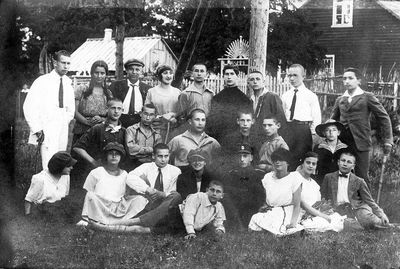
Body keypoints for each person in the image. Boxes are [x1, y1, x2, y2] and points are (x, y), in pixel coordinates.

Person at [331, 67, 393, 183]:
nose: (347, 81)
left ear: (358, 81)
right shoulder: (340, 99)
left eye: (350, 78)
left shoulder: (366, 97)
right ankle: (343, 200)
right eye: (344, 79)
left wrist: (388, 140)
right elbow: (332, 120)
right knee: (342, 174)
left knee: (361, 175)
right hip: (342, 142)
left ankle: (365, 201)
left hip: (361, 141)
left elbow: (383, 117)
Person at [107, 143, 182, 233]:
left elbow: (174, 192)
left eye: (166, 156)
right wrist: (147, 189)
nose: (163, 160)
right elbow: (130, 177)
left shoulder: (175, 171)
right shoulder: (146, 167)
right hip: (148, 204)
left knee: (176, 196)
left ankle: (133, 222)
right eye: (160, 156)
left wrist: (162, 194)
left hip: (164, 204)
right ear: (153, 156)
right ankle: (141, 223)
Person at [23, 50, 75, 169]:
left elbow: (70, 109)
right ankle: (47, 186)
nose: (66, 66)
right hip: (47, 125)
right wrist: (37, 128)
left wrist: (63, 119)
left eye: (68, 63)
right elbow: (29, 106)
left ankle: (58, 187)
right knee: (48, 161)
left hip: (62, 125)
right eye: (63, 63)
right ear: (55, 62)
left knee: (61, 159)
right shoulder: (42, 81)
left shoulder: (68, 83)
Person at [79, 142, 147, 229]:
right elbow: (88, 191)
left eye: (117, 154)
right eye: (111, 154)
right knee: (90, 195)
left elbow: (127, 193)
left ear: (121, 157)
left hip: (118, 208)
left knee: (140, 199)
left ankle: (117, 222)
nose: (114, 156)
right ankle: (97, 220)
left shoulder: (125, 174)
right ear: (106, 156)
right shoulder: (97, 172)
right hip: (100, 206)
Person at [321, 149, 392, 230]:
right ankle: (355, 225)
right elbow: (323, 196)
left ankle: (389, 226)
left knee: (371, 221)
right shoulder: (328, 177)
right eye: (343, 160)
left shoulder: (359, 181)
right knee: (337, 222)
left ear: (353, 166)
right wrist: (325, 209)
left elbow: (369, 200)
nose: (345, 164)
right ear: (338, 162)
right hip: (336, 209)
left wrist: (381, 214)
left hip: (356, 208)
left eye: (349, 162)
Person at [248, 148, 303, 236]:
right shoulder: (268, 177)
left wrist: (293, 222)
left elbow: (297, 205)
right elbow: (265, 197)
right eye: (275, 160)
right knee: (255, 218)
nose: (277, 162)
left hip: (288, 211)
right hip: (272, 210)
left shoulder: (294, 177)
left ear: (287, 162)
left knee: (284, 228)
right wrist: (263, 206)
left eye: (281, 160)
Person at [281, 64, 321, 170]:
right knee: (287, 159)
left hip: (303, 130)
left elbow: (316, 118)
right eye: (290, 75)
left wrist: (313, 135)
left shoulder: (310, 96)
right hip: (288, 129)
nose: (292, 78)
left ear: (303, 76)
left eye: (295, 75)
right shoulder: (285, 95)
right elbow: (282, 115)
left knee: (302, 160)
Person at [295, 152, 345, 233]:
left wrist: (325, 210)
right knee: (325, 221)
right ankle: (304, 227)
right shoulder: (294, 177)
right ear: (302, 164)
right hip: (298, 214)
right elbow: (302, 204)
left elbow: (317, 204)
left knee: (336, 217)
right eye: (308, 162)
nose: (311, 166)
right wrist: (323, 216)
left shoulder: (315, 185)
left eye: (313, 164)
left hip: (313, 214)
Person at [73, 98, 126, 169]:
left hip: (117, 170)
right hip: (100, 169)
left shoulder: (124, 131)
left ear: (122, 111)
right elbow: (77, 147)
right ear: (107, 109)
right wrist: (93, 162)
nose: (116, 111)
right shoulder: (97, 128)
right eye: (113, 108)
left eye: (119, 109)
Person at [222, 144, 265, 230]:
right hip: (237, 208)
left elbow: (260, 195)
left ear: (251, 158)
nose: (242, 159)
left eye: (245, 156)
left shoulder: (259, 174)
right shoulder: (231, 174)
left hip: (252, 208)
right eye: (239, 156)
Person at [207, 65, 252, 141]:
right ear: (223, 77)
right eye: (227, 74)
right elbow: (213, 121)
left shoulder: (244, 99)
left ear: (237, 76)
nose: (229, 77)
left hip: (238, 139)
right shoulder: (217, 98)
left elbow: (247, 122)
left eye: (232, 74)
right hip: (220, 138)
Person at [73, 60, 112, 143]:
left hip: (100, 131)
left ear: (106, 75)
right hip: (82, 129)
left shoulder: (108, 93)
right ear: (91, 73)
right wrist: (87, 122)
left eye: (102, 73)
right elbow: (74, 111)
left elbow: (110, 114)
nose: (99, 76)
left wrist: (101, 119)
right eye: (96, 73)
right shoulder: (82, 89)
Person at [110, 58, 151, 128]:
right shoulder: (116, 85)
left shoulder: (147, 88)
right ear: (126, 70)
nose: (134, 72)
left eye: (137, 70)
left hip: (139, 121)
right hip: (120, 120)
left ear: (141, 71)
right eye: (131, 69)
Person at [145, 64, 181, 142]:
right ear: (159, 76)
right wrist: (161, 118)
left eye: (170, 73)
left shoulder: (177, 92)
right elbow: (147, 111)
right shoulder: (151, 92)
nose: (168, 76)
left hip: (173, 129)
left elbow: (180, 111)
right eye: (165, 73)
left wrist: (173, 115)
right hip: (156, 128)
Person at [247, 71, 286, 135]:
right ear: (249, 83)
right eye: (252, 79)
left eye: (258, 79)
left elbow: (281, 120)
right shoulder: (250, 99)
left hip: (269, 137)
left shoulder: (272, 97)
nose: (255, 82)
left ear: (263, 82)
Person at [125, 104, 162, 171]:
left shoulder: (157, 135)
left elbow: (158, 153)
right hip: (133, 165)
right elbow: (131, 150)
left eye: (151, 115)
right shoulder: (131, 130)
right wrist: (150, 150)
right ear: (141, 114)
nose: (148, 118)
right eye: (145, 114)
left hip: (151, 167)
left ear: (155, 116)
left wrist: (139, 149)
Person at [313, 120, 348, 185]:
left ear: (338, 132)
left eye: (334, 130)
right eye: (327, 130)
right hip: (322, 181)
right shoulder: (318, 148)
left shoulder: (345, 148)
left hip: (341, 182)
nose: (331, 132)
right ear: (324, 133)